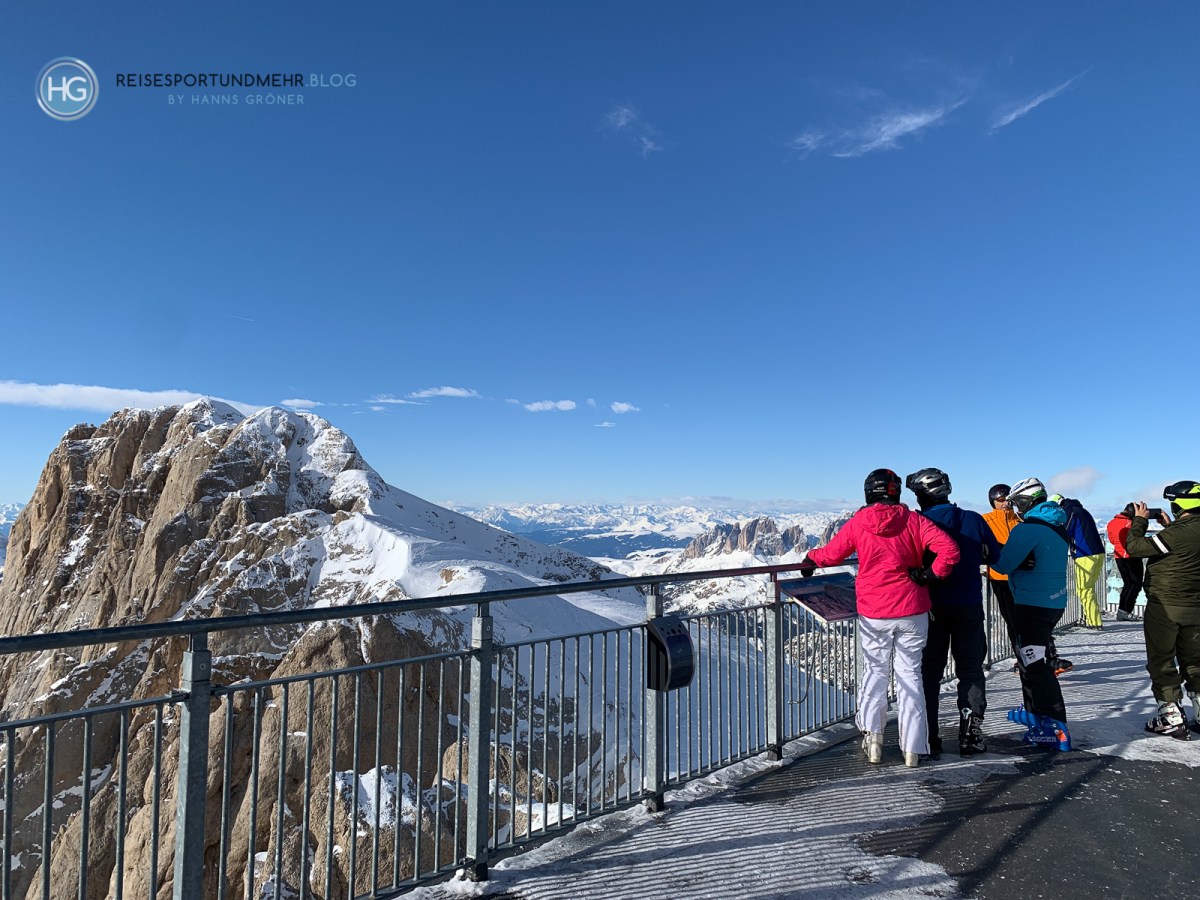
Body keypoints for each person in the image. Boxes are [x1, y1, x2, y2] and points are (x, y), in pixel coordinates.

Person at [800, 468, 960, 767]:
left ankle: (873, 740)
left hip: (875, 612)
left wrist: (811, 558)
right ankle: (913, 749)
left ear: (868, 493)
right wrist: (930, 575)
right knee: (910, 676)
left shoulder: (859, 522)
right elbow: (949, 551)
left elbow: (832, 555)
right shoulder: (914, 520)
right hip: (913, 610)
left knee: (875, 672)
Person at [906, 468, 1001, 758]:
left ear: (922, 496)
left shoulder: (918, 523)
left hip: (930, 609)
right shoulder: (973, 519)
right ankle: (970, 735)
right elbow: (996, 556)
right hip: (968, 605)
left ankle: (927, 737)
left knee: (928, 673)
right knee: (970, 670)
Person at [989, 477, 1072, 750]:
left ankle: (1055, 726)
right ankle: (1037, 715)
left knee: (1034, 664)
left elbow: (1002, 566)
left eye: (1016, 503)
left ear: (1025, 502)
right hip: (1054, 603)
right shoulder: (1057, 525)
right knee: (1033, 660)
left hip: (1031, 605)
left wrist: (989, 551)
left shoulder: (1026, 530)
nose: (1014, 509)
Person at [1123, 481, 1200, 739]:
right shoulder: (1180, 532)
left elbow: (1134, 548)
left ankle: (1171, 716)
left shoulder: (1176, 534)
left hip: (1166, 606)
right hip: (1195, 607)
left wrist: (1139, 521)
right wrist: (1170, 527)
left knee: (1162, 660)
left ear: (1179, 504)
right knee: (1195, 660)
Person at [984, 484, 1072, 675]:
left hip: (1027, 586)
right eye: (1000, 500)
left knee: (1031, 629)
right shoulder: (986, 521)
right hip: (1002, 579)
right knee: (1015, 623)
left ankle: (1041, 661)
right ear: (992, 502)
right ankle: (1028, 660)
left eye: (1009, 500)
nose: (1006, 504)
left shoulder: (1024, 523)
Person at [1049, 493, 1106, 628]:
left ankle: (1093, 622)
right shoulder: (1081, 510)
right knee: (1089, 588)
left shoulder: (1070, 512)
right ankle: (1090, 617)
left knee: (1084, 589)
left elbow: (1065, 531)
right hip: (1098, 552)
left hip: (1085, 554)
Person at [1107, 504, 1145, 621]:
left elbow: (1112, 540)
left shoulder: (1112, 523)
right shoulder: (1131, 523)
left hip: (1119, 556)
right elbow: (1138, 537)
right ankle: (1125, 611)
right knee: (1135, 584)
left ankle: (1123, 611)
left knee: (1128, 584)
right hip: (1131, 556)